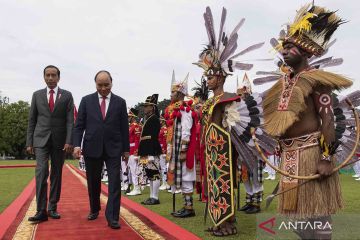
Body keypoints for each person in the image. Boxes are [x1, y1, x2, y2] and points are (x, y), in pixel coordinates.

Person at [262, 5, 351, 239]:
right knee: (296, 219)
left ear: (304, 50)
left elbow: (328, 120)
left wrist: (325, 158)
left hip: (312, 154)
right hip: (290, 157)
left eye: (290, 47)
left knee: (318, 216)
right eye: (284, 47)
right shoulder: (283, 84)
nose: (284, 51)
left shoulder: (317, 81)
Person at [194, 7, 270, 236]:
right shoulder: (209, 102)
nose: (208, 80)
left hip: (224, 153)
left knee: (224, 186)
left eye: (211, 76)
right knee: (213, 187)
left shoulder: (229, 98)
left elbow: (235, 125)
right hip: (210, 151)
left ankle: (227, 224)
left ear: (221, 76)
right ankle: (219, 221)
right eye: (207, 76)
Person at [73, 70, 129, 229]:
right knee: (93, 182)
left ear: (112, 83)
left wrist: (126, 150)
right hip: (91, 147)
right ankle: (94, 208)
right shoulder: (86, 101)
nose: (103, 88)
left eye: (107, 85)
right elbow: (79, 126)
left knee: (114, 183)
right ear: (95, 84)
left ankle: (112, 217)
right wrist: (77, 145)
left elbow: (124, 128)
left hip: (114, 148)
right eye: (100, 85)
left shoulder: (120, 102)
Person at [26, 65, 74, 222]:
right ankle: (41, 210)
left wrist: (69, 141)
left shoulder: (67, 95)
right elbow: (32, 120)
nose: (51, 78)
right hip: (40, 139)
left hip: (60, 141)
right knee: (41, 172)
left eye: (54, 75)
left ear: (59, 77)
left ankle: (52, 207)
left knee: (56, 174)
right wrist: (29, 142)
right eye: (48, 75)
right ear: (44, 77)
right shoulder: (37, 95)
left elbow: (70, 121)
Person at [164, 71, 197, 218]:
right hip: (176, 150)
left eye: (173, 93)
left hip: (182, 150)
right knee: (182, 177)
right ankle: (186, 206)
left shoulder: (185, 110)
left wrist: (183, 150)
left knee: (186, 177)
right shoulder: (175, 110)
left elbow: (186, 131)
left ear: (179, 94)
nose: (170, 96)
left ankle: (189, 208)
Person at [137, 94, 163, 205]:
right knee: (150, 174)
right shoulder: (149, 119)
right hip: (145, 151)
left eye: (147, 106)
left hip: (151, 150)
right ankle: (151, 196)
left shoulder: (155, 119)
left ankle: (155, 197)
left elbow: (153, 137)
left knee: (155, 173)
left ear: (152, 107)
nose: (145, 108)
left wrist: (150, 153)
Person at [126, 108, 143, 195]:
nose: (128, 118)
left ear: (133, 117)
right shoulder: (131, 126)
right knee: (132, 170)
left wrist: (136, 151)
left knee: (134, 170)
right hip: (130, 150)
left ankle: (136, 188)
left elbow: (137, 139)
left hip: (133, 150)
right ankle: (136, 187)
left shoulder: (135, 126)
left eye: (129, 116)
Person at [158, 115, 169, 191]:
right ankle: (165, 183)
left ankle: (165, 183)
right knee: (163, 167)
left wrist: (164, 149)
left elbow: (165, 141)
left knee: (164, 167)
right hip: (162, 150)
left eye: (160, 121)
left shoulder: (164, 130)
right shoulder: (162, 129)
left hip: (163, 150)